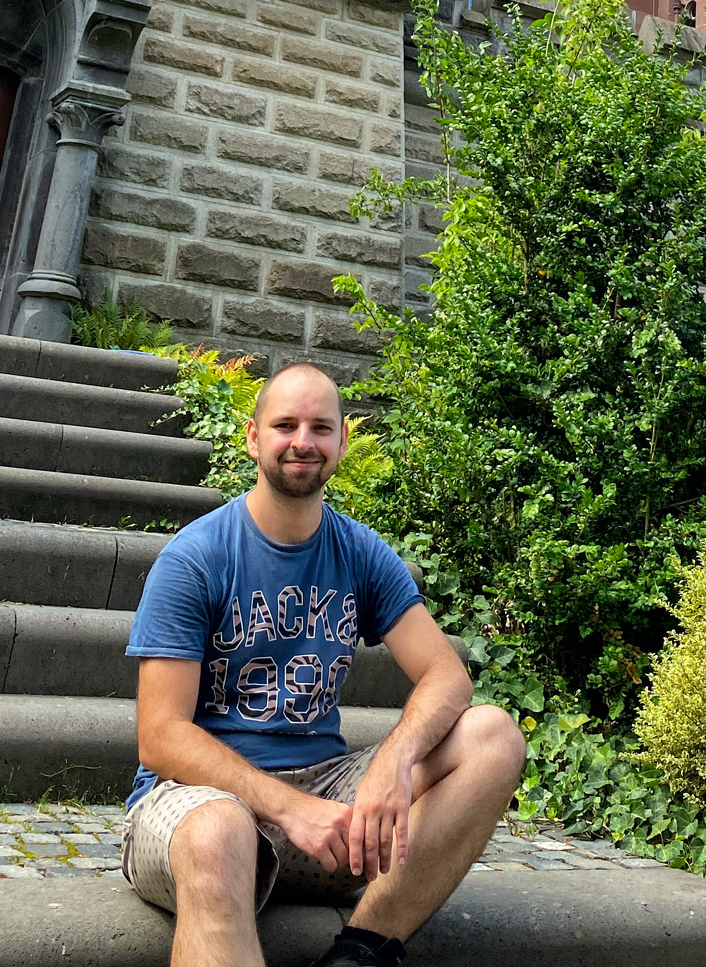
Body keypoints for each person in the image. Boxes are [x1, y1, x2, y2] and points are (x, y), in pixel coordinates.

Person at [121, 360, 526, 967]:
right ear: (255, 437)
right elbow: (159, 736)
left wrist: (394, 761)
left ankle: (360, 953)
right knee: (220, 830)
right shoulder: (196, 557)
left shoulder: (360, 552)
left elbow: (447, 675)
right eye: (285, 425)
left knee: (492, 734)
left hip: (328, 819)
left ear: (340, 441)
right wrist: (288, 808)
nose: (302, 442)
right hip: (197, 808)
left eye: (320, 427)